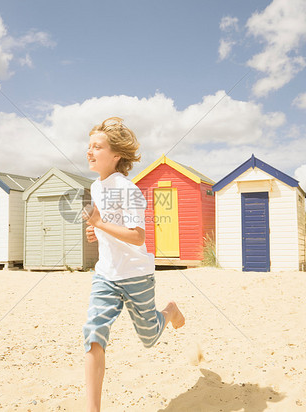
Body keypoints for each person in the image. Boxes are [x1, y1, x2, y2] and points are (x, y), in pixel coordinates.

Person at [82, 117, 185, 412]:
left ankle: (170, 311)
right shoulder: (95, 186)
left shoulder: (128, 189)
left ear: (116, 155)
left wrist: (100, 222)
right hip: (106, 275)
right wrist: (95, 229)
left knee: (149, 337)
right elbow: (106, 226)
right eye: (88, 146)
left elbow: (138, 236)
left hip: (136, 274)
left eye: (97, 147)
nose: (89, 152)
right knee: (93, 333)